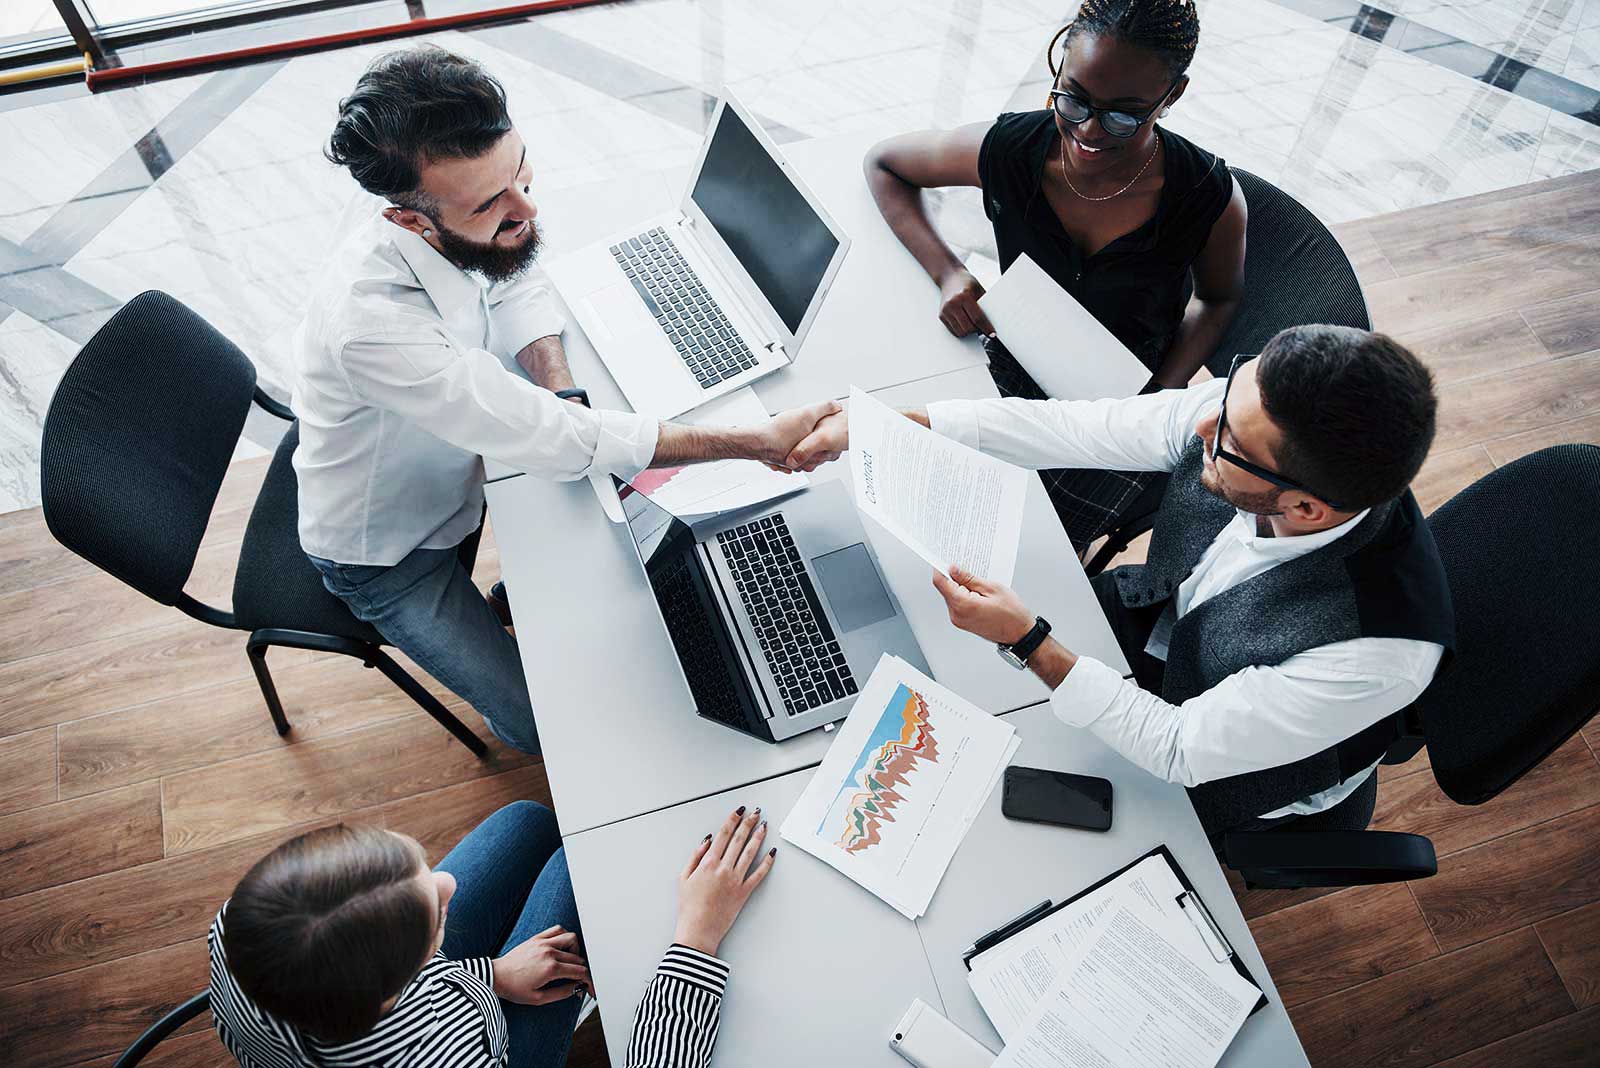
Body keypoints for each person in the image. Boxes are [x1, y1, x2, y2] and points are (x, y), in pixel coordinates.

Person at [294, 46, 836, 755]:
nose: (527, 206)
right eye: (491, 202)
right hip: (389, 554)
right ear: (408, 221)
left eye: (520, 169)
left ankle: (504, 604)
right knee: (542, 730)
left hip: (463, 480)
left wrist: (560, 386)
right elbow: (555, 440)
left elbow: (513, 274)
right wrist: (752, 441)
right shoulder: (370, 329)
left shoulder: (450, 211)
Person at [785, 326, 1455, 836]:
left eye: (1229, 442)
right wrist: (891, 428)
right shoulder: (1248, 422)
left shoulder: (1379, 656)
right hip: (1176, 628)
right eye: (1225, 394)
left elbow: (1178, 748)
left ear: (1305, 509)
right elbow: (1076, 428)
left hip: (1236, 768)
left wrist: (1029, 642)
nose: (1200, 425)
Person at [863, 0, 1246, 552]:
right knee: (913, 502)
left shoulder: (1208, 197)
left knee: (1022, 552)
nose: (1089, 131)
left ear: (1172, 96)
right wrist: (948, 274)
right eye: (1074, 99)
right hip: (1011, 358)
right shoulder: (1013, 151)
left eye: (1123, 114)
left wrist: (1160, 393)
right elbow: (884, 164)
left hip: (1123, 400)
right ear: (1060, 69)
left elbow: (1219, 300)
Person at [209, 801, 774, 1068]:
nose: (448, 880)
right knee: (574, 872)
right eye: (434, 909)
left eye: (420, 867)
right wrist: (697, 933)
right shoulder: (448, 1050)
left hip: (333, 1040)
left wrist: (487, 974)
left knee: (527, 823)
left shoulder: (241, 923)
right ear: (395, 994)